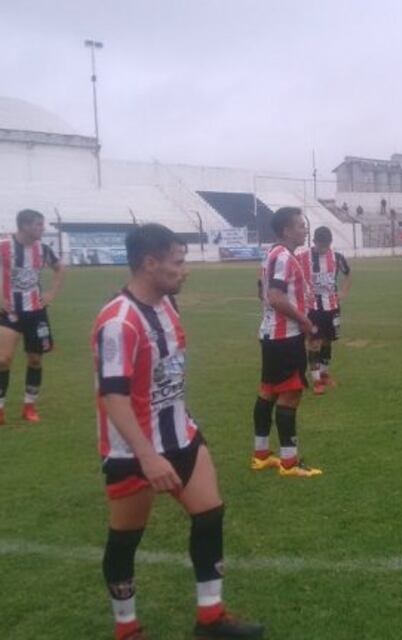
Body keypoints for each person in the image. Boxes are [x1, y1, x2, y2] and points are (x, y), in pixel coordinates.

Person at [92, 224, 262, 640]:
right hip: (134, 451)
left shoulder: (168, 305)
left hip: (181, 436)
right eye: (178, 262)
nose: (184, 271)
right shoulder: (118, 321)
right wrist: (148, 457)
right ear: (150, 264)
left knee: (210, 514)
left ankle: (211, 618)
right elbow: (113, 396)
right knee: (125, 538)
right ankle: (127, 628)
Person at [252, 207, 322, 477]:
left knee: (268, 391)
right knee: (291, 393)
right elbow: (276, 297)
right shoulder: (282, 256)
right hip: (284, 336)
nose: (305, 229)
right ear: (286, 231)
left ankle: (261, 455)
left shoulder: (272, 254)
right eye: (300, 225)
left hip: (272, 334)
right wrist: (304, 320)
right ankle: (289, 463)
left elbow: (262, 292)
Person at [0, 209, 66, 424]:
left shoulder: (43, 249)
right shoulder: (4, 246)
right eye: (38, 224)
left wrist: (51, 293)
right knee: (3, 359)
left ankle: (29, 406)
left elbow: (59, 268)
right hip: (10, 311)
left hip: (36, 311)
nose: (42, 228)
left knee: (35, 359)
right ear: (25, 226)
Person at [296, 226, 351, 394]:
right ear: (314, 242)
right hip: (312, 308)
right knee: (314, 342)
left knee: (327, 340)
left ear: (330, 243)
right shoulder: (301, 257)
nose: (323, 248)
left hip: (332, 306)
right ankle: (316, 380)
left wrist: (344, 291)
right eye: (320, 245)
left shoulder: (337, 257)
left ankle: (325, 374)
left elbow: (348, 273)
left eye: (326, 245)